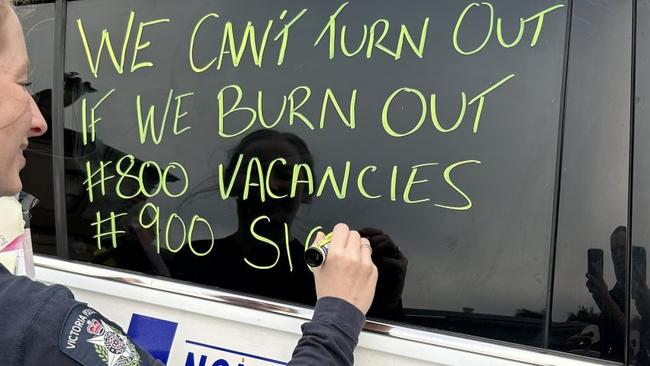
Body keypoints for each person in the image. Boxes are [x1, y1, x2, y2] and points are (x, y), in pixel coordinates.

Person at [0, 1, 378, 365]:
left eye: (288, 174)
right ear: (231, 182)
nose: (40, 119)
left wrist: (381, 297)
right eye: (22, 82)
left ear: (307, 189)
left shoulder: (336, 276)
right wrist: (339, 316)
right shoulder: (181, 266)